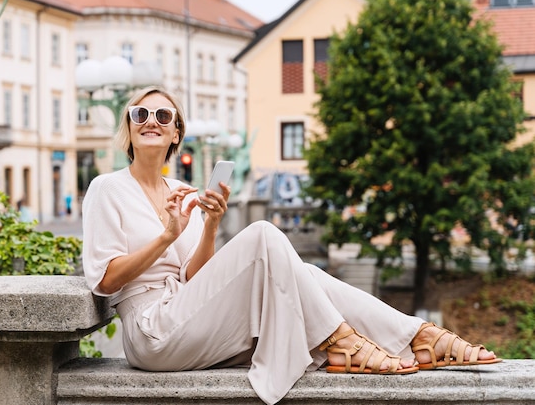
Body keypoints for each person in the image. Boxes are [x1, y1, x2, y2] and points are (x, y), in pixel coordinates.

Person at [82, 86, 501, 405]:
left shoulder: (183, 191)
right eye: (140, 113)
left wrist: (209, 224)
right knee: (263, 233)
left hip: (186, 315)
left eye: (162, 115)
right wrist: (167, 237)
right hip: (150, 331)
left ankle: (418, 336)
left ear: (176, 132)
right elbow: (104, 280)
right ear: (130, 128)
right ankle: (339, 340)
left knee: (308, 274)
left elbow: (196, 278)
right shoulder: (107, 189)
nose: (150, 120)